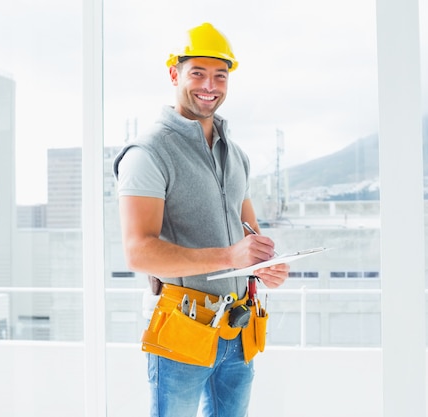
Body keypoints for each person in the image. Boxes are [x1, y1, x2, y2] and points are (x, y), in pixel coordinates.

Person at [113, 22, 289, 417]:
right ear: (174, 74)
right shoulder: (149, 152)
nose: (209, 85)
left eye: (219, 76)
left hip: (238, 328)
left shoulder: (236, 155)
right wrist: (232, 257)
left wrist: (265, 266)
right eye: (197, 73)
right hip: (182, 328)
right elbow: (138, 253)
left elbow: (249, 236)